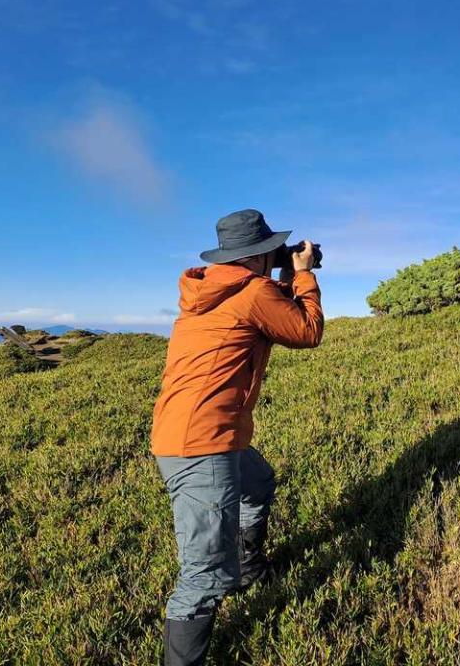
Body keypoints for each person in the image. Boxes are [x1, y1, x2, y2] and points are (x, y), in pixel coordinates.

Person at [150, 209, 324, 665]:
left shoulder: (214, 290)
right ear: (260, 256)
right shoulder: (253, 291)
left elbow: (261, 310)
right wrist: (302, 276)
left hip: (196, 432)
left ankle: (249, 569)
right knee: (204, 573)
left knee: (258, 482)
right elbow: (306, 331)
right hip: (203, 442)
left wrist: (284, 275)